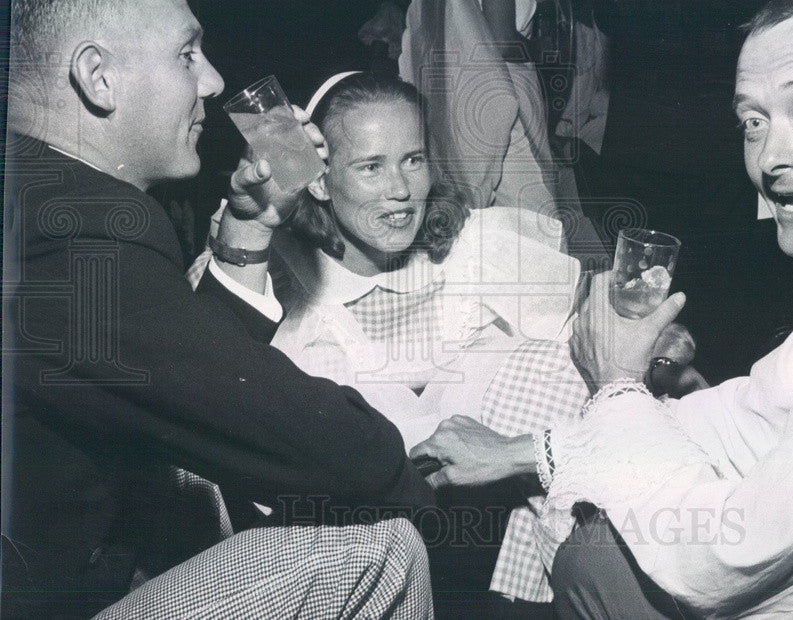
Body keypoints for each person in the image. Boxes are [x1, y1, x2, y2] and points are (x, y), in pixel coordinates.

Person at [412, 0, 793, 617]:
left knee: (596, 565)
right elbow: (753, 413)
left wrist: (615, 384)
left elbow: (727, 559)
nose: (770, 157)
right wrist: (517, 452)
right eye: (753, 121)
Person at [2, 0, 433, 618]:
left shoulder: (32, 192)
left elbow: (163, 378)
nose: (211, 79)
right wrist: (415, 479)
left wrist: (248, 229)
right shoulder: (80, 227)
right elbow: (342, 456)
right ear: (98, 77)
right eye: (186, 53)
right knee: (378, 544)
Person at [188, 70, 591, 605]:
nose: (400, 190)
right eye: (371, 166)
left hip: (504, 574)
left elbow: (591, 333)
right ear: (318, 178)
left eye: (413, 159)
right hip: (353, 578)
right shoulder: (271, 287)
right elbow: (206, 412)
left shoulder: (478, 252)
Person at [399, 0, 559, 220]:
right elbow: (503, 42)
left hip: (458, 104)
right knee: (535, 213)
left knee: (479, 212)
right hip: (507, 93)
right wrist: (541, 49)